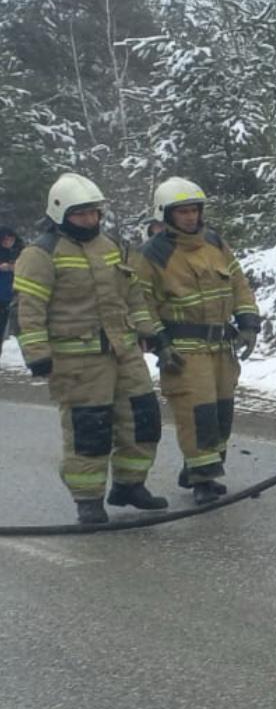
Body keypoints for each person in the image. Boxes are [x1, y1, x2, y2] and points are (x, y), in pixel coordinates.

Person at [12, 174, 173, 524]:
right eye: (80, 214)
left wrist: (150, 332)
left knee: (143, 419)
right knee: (90, 430)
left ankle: (130, 486)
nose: (90, 220)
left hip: (124, 352)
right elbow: (29, 310)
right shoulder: (41, 253)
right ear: (59, 213)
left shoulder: (110, 246)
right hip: (78, 361)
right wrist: (37, 354)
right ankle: (88, 499)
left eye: (94, 213)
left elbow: (132, 296)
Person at [133, 178, 262, 504]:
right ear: (166, 214)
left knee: (221, 413)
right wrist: (160, 342)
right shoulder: (154, 254)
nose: (190, 217)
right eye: (183, 212)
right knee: (197, 414)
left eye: (194, 210)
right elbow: (140, 303)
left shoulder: (215, 243)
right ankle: (203, 479)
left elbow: (238, 283)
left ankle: (201, 467)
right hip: (184, 350)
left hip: (221, 347)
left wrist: (248, 322)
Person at [0, 224, 19, 332]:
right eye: (5, 240)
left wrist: (13, 267)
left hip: (13, 294)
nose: (8, 242)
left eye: (10, 239)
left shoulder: (19, 250)